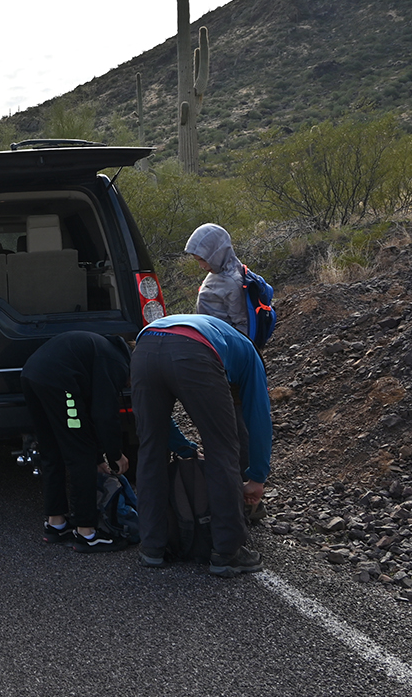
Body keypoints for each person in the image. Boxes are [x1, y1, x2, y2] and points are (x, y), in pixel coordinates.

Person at [131, 313, 272, 577]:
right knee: (221, 449)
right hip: (193, 352)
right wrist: (257, 476)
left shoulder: (222, 337)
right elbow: (258, 418)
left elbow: (159, 424)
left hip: (145, 349)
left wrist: (182, 445)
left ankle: (152, 547)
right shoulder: (251, 357)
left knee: (150, 449)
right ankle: (227, 552)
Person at [21, 332, 133, 553]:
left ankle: (56, 523)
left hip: (31, 374)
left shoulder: (102, 350)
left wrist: (100, 456)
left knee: (51, 451)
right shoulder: (117, 363)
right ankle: (87, 533)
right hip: (58, 380)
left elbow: (88, 413)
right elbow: (104, 414)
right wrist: (115, 455)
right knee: (80, 455)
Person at [185, 223, 249, 335]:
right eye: (198, 260)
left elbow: (242, 325)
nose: (202, 266)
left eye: (203, 260)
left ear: (217, 254)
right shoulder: (219, 269)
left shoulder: (232, 282)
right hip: (210, 335)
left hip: (222, 341)